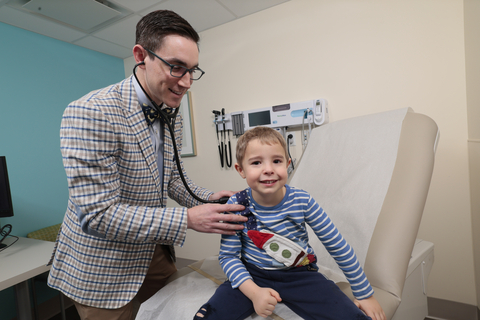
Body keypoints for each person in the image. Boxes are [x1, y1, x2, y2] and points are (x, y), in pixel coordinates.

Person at [47, 10, 247, 320]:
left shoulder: (170, 111)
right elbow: (97, 216)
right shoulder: (90, 112)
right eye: (177, 67)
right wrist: (188, 220)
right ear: (141, 56)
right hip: (103, 267)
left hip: (152, 252)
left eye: (193, 70)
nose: (187, 82)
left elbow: (171, 180)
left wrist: (208, 199)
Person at [194, 126, 386, 320]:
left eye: (276, 161)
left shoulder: (303, 201)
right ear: (241, 170)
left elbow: (338, 246)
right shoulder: (236, 205)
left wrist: (364, 294)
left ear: (287, 164)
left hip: (300, 276)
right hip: (252, 274)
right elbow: (229, 257)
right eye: (256, 162)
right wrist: (254, 293)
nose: (268, 169)